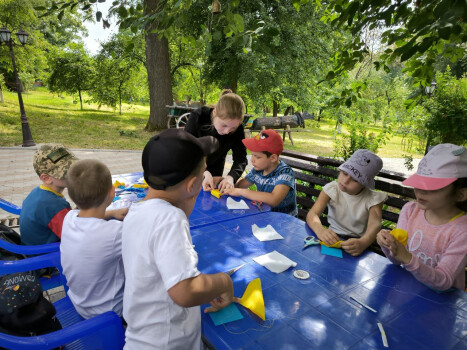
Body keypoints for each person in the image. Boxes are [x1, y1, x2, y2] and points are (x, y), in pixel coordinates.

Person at [122, 129, 234, 349]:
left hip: (144, 335)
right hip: (168, 342)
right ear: (192, 186)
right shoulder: (170, 218)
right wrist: (223, 282)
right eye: (204, 174)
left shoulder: (137, 211)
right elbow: (186, 291)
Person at [377, 144, 467, 291]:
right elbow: (396, 260)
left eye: (432, 186)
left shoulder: (462, 230)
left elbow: (444, 281)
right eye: (418, 183)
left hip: (441, 303)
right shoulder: (410, 211)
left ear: (460, 194)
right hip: (407, 290)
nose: (420, 191)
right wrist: (387, 245)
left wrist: (407, 257)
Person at [60, 159, 128, 319]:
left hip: (79, 302)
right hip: (110, 312)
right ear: (112, 192)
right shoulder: (115, 232)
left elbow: (89, 220)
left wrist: (111, 213)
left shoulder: (68, 218)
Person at [306, 149, 387, 256]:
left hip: (357, 243)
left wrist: (363, 243)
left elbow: (375, 225)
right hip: (332, 239)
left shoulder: (372, 198)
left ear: (365, 184)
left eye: (355, 180)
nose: (345, 181)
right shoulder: (332, 189)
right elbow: (313, 214)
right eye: (344, 173)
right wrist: (320, 230)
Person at [184, 89, 247, 192]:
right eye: (224, 125)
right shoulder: (198, 117)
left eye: (233, 128)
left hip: (216, 170)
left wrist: (231, 177)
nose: (227, 131)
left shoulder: (238, 129)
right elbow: (185, 150)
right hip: (190, 168)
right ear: (215, 112)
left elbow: (241, 159)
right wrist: (203, 171)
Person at [223, 129, 298, 216]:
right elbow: (240, 185)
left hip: (285, 221)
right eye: (252, 155)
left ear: (273, 158)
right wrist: (225, 181)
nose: (252, 160)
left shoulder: (285, 172)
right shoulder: (258, 170)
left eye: (257, 157)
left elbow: (274, 199)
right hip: (265, 216)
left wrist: (241, 192)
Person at [20, 144, 78, 246]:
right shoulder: (54, 205)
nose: (75, 174)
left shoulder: (39, 192)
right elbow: (76, 236)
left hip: (31, 246)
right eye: (66, 172)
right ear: (46, 178)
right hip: (44, 255)